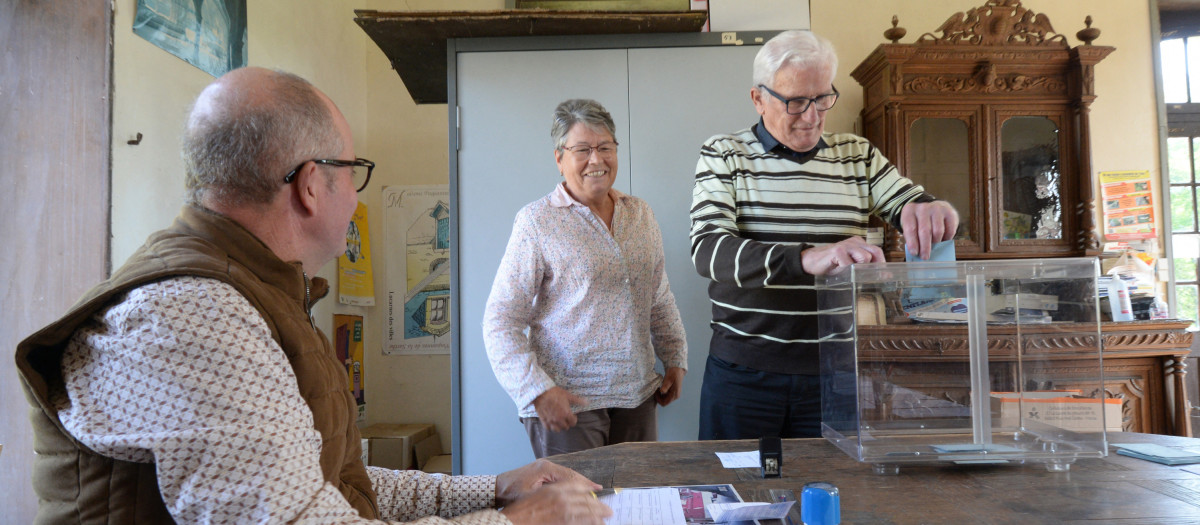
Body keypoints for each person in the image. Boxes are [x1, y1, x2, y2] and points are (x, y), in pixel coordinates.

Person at [15, 67, 611, 525]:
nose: (354, 198)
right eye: (354, 173)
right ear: (308, 186)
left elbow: (330, 480)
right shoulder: (194, 315)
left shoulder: (254, 292)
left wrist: (496, 487)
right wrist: (513, 520)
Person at [689, 30, 959, 440]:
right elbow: (709, 251)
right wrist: (806, 258)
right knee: (738, 493)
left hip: (834, 372)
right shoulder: (725, 154)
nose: (813, 115)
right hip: (744, 376)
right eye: (796, 102)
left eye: (822, 99)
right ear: (758, 98)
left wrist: (934, 209)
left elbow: (909, 202)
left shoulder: (858, 155)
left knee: (834, 492)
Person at [483, 98, 689, 458]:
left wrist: (675, 356)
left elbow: (658, 295)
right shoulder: (537, 222)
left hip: (637, 396)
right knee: (582, 512)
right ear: (559, 158)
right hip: (569, 404)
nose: (597, 160)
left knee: (639, 509)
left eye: (605, 147)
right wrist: (535, 390)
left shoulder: (639, 213)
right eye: (582, 149)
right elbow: (500, 320)